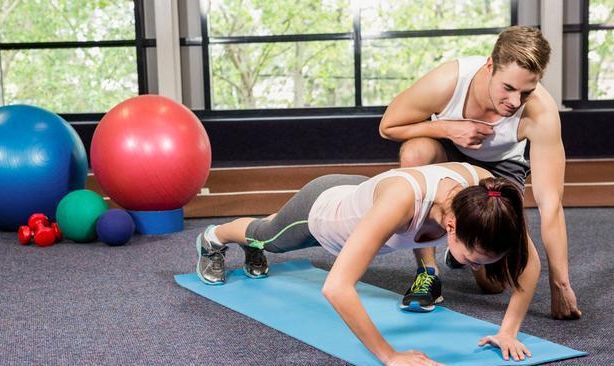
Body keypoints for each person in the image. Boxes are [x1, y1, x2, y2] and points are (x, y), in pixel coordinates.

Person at [196, 162, 541, 365]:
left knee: (270, 231)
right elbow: (337, 287)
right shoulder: (404, 202)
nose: (474, 268)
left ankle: (251, 241)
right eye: (472, 259)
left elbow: (530, 264)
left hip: (364, 196)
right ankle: (215, 237)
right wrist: (390, 356)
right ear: (451, 227)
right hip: (322, 211)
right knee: (270, 235)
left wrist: (507, 331)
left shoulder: (491, 201)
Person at [378, 26, 581, 320]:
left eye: (527, 91)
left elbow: (550, 204)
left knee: (493, 285)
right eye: (508, 88)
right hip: (447, 153)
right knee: (416, 152)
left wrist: (560, 284)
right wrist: (449, 128)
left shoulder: (541, 114)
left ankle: (460, 246)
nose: (515, 102)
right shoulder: (450, 81)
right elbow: (388, 126)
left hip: (498, 171)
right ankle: (427, 273)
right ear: (490, 66)